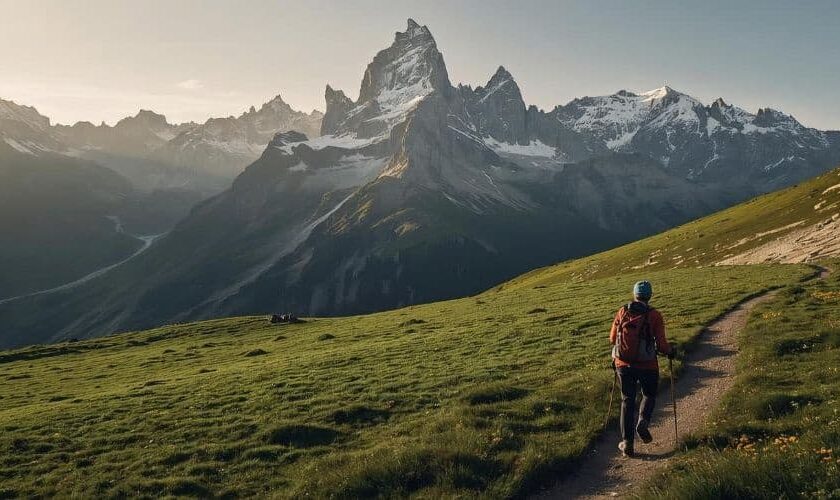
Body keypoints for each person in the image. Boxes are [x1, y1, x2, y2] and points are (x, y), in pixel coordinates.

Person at [609, 280, 673, 457]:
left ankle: (627, 442)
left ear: (634, 294)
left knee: (627, 400)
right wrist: (670, 351)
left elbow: (612, 338)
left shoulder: (623, 311)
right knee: (649, 395)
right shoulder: (655, 316)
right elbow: (661, 345)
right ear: (650, 295)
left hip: (623, 364)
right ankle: (643, 421)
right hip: (648, 364)